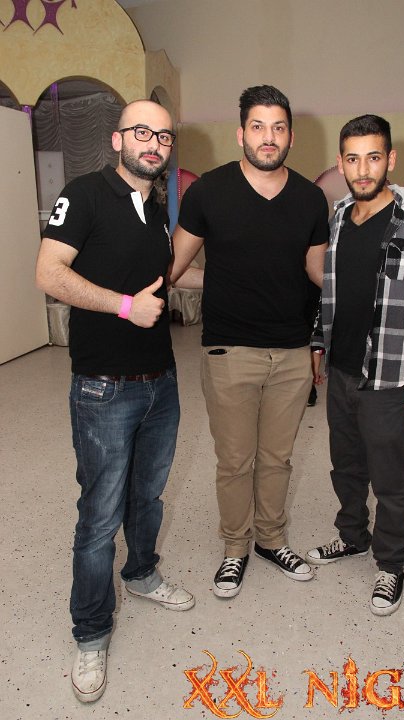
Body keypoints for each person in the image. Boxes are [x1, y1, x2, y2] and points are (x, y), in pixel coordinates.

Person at [35, 100, 200, 703]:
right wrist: (125, 307)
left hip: (161, 382)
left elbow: (166, 278)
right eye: (142, 132)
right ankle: (91, 630)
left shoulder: (155, 208)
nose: (153, 143)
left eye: (163, 135)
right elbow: (50, 273)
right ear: (117, 139)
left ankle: (142, 573)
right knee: (101, 514)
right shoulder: (84, 194)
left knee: (146, 496)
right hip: (103, 387)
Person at [170, 85, 329, 598]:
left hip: (292, 351)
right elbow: (173, 267)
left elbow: (317, 271)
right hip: (228, 350)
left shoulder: (310, 198)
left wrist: (369, 291)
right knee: (236, 461)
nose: (268, 137)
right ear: (241, 133)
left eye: (278, 127)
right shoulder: (208, 192)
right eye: (258, 126)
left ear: (291, 136)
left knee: (278, 458)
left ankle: (272, 540)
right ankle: (235, 547)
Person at [307, 115, 404, 616]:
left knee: (390, 476)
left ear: (390, 159)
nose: (363, 169)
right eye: (352, 159)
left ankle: (391, 561)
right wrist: (318, 341)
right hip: (341, 370)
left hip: (392, 376)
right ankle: (352, 535)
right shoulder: (337, 216)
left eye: (373, 157)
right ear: (340, 163)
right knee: (346, 466)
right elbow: (330, 289)